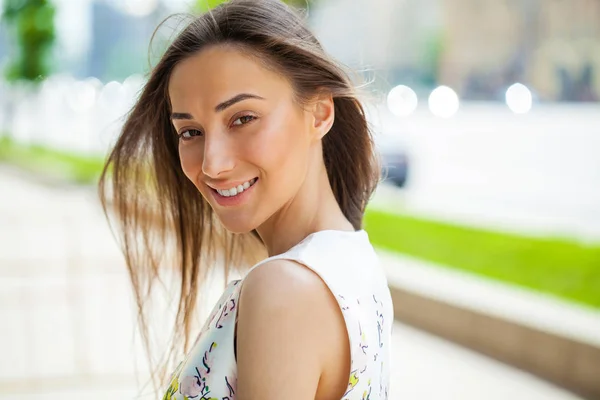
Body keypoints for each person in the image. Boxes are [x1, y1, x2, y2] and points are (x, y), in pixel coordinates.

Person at [99, 0, 393, 398]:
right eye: (190, 132)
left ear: (320, 113)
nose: (212, 165)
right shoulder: (353, 260)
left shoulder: (284, 289)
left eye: (242, 119)